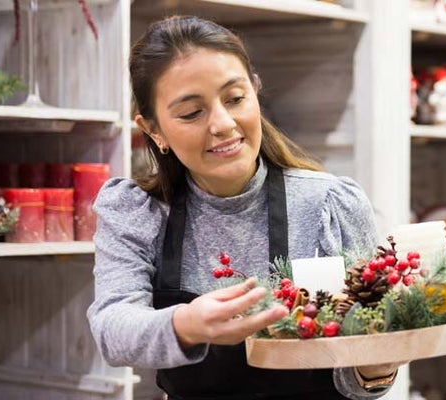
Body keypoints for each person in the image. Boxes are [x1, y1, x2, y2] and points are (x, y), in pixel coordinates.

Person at [87, 15, 400, 399]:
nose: (222, 123)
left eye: (235, 99)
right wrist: (188, 324)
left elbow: (363, 368)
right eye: (191, 113)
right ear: (153, 130)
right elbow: (113, 330)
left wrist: (376, 369)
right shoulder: (138, 211)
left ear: (255, 91)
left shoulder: (330, 205)